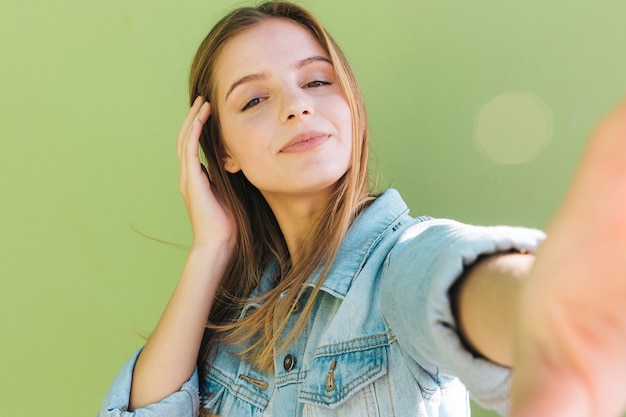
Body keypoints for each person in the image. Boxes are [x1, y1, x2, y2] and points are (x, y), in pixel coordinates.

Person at [98, 2, 626, 416]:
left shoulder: (401, 265)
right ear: (223, 153)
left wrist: (543, 306)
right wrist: (211, 247)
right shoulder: (239, 319)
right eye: (254, 100)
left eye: (317, 81)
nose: (296, 105)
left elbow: (454, 278)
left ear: (349, 102)